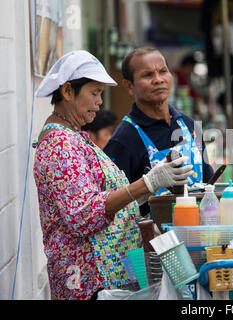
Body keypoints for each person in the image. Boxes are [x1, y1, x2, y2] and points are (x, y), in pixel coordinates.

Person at [33, 50, 193, 300]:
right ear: (67, 92)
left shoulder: (76, 138)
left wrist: (144, 193)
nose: (99, 102)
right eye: (94, 93)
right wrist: (147, 182)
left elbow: (102, 197)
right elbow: (83, 216)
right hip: (87, 282)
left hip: (108, 275)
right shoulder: (60, 146)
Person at [103, 47, 214, 218]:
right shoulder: (124, 139)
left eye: (163, 71)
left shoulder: (189, 125)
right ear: (129, 86)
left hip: (198, 235)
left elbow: (208, 182)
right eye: (147, 75)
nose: (158, 80)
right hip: (152, 239)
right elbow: (110, 206)